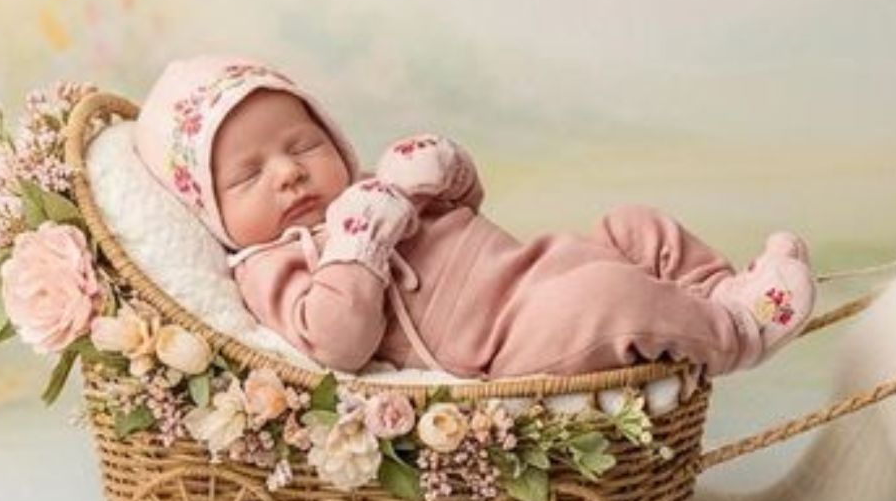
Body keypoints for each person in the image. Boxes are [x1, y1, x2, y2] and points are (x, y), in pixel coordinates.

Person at [132, 55, 816, 378]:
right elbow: (336, 340)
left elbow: (465, 214)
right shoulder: (270, 267)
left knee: (633, 228)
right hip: (509, 341)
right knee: (609, 298)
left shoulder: (369, 191)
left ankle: (715, 292)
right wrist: (357, 244)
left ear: (335, 141)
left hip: (538, 267)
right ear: (213, 211)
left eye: (304, 145)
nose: (287, 172)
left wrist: (443, 172)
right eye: (250, 175)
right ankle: (739, 331)